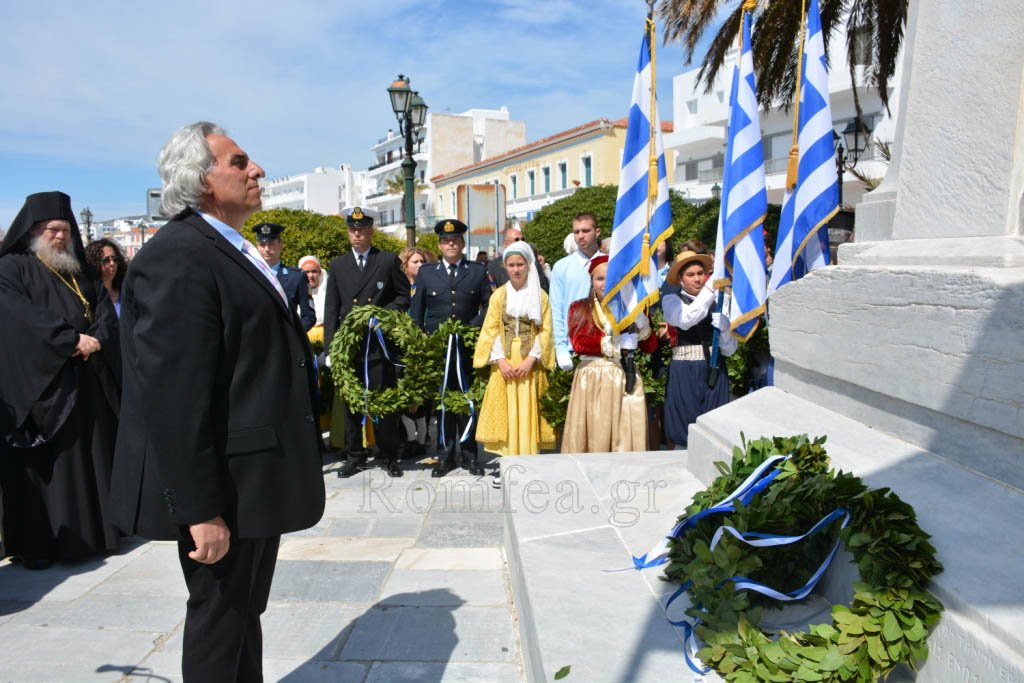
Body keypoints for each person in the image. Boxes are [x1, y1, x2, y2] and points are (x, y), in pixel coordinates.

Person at [109, 122, 325, 682]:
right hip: (223, 485)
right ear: (203, 180)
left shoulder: (230, 247)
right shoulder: (178, 255)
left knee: (242, 613)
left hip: (252, 474)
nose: (256, 171)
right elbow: (175, 396)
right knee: (218, 616)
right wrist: (200, 510)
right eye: (240, 162)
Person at [0, 191, 120, 569]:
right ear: (34, 230)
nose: (60, 236)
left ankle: (99, 535)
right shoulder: (11, 268)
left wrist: (96, 337)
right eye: (53, 229)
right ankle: (45, 544)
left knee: (91, 457)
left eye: (65, 229)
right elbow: (19, 317)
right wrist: (69, 341)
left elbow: (103, 306)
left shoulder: (77, 269)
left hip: (85, 379)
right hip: (45, 388)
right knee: (53, 468)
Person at [324, 206, 410, 478]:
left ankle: (388, 454)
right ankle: (355, 454)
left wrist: (382, 315)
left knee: (383, 400)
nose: (357, 234)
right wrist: (330, 349)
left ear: (371, 231)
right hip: (351, 346)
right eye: (353, 230)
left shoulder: (385, 261)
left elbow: (403, 296)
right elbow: (331, 309)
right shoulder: (338, 265)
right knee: (351, 402)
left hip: (378, 343)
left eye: (362, 229)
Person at [410, 219, 491, 477]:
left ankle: (469, 455)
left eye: (455, 240)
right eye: (446, 241)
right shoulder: (427, 272)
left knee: (467, 400)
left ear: (463, 243)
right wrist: (421, 342)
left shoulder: (477, 271)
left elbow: (489, 305)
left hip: (467, 347)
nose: (450, 244)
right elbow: (417, 312)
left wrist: (473, 327)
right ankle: (445, 456)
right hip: (439, 348)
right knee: (443, 402)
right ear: (439, 244)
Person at [561, 255, 658, 453]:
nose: (605, 284)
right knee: (597, 430)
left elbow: (650, 347)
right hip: (593, 376)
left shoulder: (633, 307)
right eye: (600, 279)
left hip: (625, 375)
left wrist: (643, 326)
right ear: (591, 281)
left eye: (611, 278)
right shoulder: (579, 308)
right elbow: (579, 343)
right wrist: (614, 343)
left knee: (626, 432)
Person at [474, 241, 556, 459]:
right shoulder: (499, 295)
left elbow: (546, 330)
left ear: (528, 265)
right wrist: (500, 360)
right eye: (511, 265)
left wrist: (531, 359)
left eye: (520, 264)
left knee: (528, 409)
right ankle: (507, 461)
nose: (516, 269)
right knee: (508, 410)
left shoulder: (540, 297)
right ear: (505, 267)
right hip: (506, 360)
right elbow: (491, 329)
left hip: (530, 361)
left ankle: (530, 459)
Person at [660, 250, 737, 449]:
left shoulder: (719, 302)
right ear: (680, 279)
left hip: (714, 368)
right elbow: (686, 320)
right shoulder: (672, 300)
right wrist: (710, 291)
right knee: (685, 430)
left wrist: (726, 330)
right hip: (685, 371)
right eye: (690, 275)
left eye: (701, 274)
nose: (698, 279)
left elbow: (730, 350)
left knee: (715, 427)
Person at [550, 212, 606, 371]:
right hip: (573, 347)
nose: (581, 236)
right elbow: (556, 309)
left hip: (606, 346)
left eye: (586, 231)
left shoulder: (610, 263)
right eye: (576, 232)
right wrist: (560, 348)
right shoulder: (561, 266)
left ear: (597, 232)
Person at [397, 246, 434, 457]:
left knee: (422, 395)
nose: (419, 265)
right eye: (415, 262)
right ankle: (408, 438)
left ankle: (422, 437)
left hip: (424, 344)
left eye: (422, 262)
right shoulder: (400, 287)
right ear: (405, 265)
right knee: (405, 395)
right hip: (402, 346)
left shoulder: (429, 284)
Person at [254, 222, 316, 331]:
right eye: (262, 245)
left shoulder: (296, 277)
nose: (267, 249)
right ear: (257, 247)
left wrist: (293, 335)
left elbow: (308, 316)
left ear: (280, 245)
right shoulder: (251, 275)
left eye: (271, 244)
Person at [487, 226, 549, 291]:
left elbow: (543, 289)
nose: (521, 242)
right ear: (505, 244)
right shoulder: (494, 266)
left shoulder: (533, 263)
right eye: (516, 240)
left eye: (522, 239)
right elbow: (492, 292)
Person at [85, 238, 127, 317]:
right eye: (106, 260)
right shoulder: (88, 296)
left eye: (115, 259)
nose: (112, 263)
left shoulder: (126, 292)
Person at [298, 254, 329, 347]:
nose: (310, 275)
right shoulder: (293, 295)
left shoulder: (330, 294)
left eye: (314, 271)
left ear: (320, 273)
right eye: (306, 272)